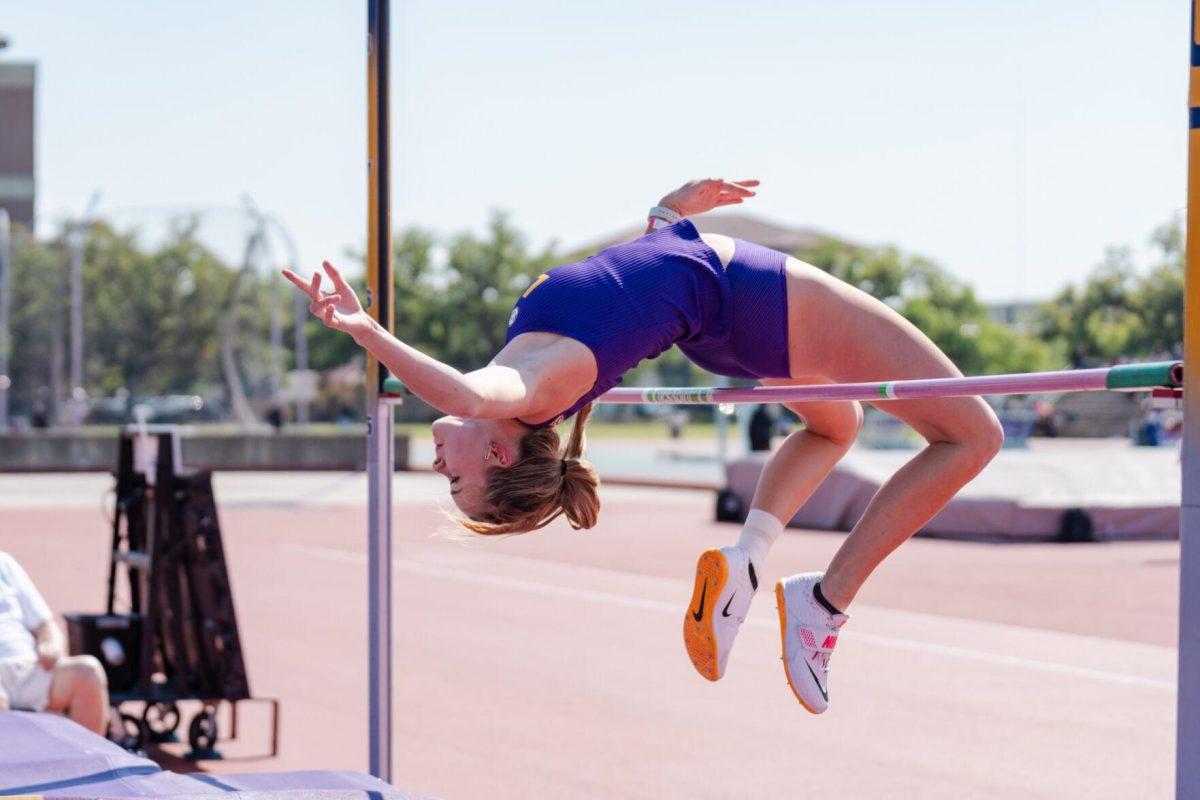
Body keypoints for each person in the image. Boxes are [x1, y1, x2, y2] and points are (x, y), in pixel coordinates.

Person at [283, 178, 1003, 714]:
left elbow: (629, 286)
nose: (438, 464)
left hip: (727, 325)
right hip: (753, 300)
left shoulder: (521, 367)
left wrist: (667, 215)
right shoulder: (527, 389)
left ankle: (750, 561)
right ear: (499, 456)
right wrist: (366, 332)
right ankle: (826, 601)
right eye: (454, 480)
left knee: (834, 427)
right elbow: (467, 398)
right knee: (974, 436)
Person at [0, 551, 109, 733]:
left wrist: (51, 646)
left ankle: (88, 760)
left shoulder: (4, 564)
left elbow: (46, 625)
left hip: (29, 669)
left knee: (88, 672)